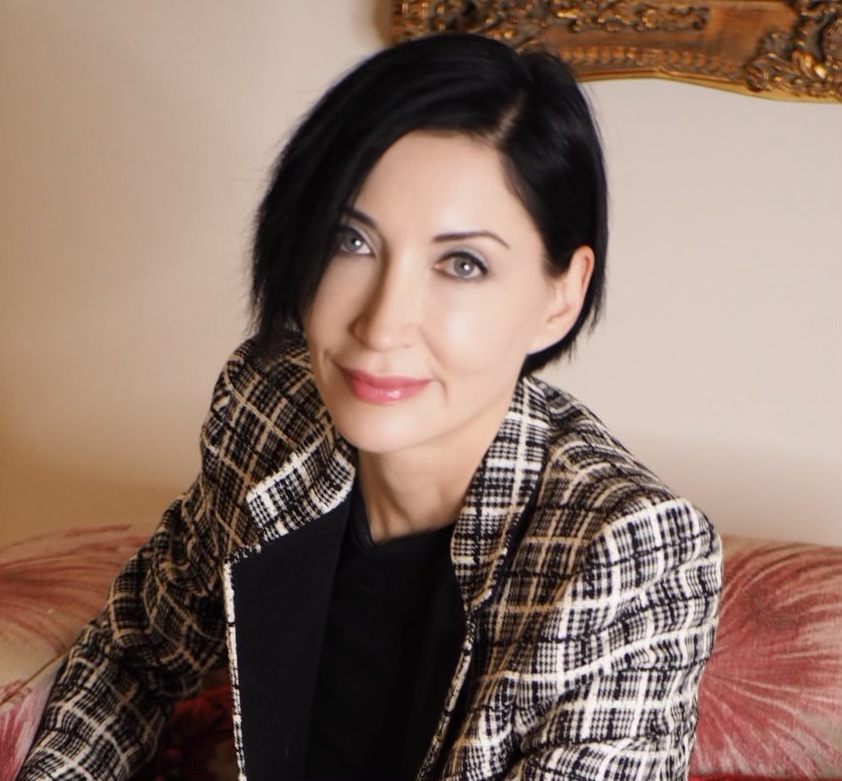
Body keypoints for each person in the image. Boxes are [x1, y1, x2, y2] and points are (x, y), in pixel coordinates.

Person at [18, 33, 721, 781]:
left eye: (463, 263)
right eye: (351, 240)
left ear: (561, 296)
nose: (382, 324)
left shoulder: (628, 554)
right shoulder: (271, 412)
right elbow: (137, 654)